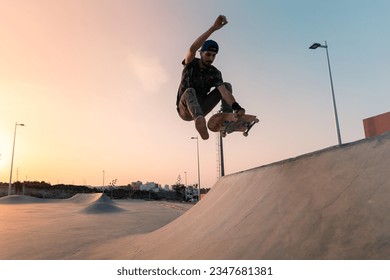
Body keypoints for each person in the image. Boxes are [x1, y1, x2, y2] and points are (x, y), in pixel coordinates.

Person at [176, 15, 245, 140]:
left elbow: (224, 93)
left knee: (226, 86)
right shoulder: (190, 63)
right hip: (185, 110)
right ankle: (200, 123)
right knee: (189, 91)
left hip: (202, 107)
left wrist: (237, 107)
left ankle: (226, 121)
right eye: (208, 54)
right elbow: (192, 48)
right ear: (201, 53)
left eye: (214, 56)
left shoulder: (215, 73)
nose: (211, 58)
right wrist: (213, 29)